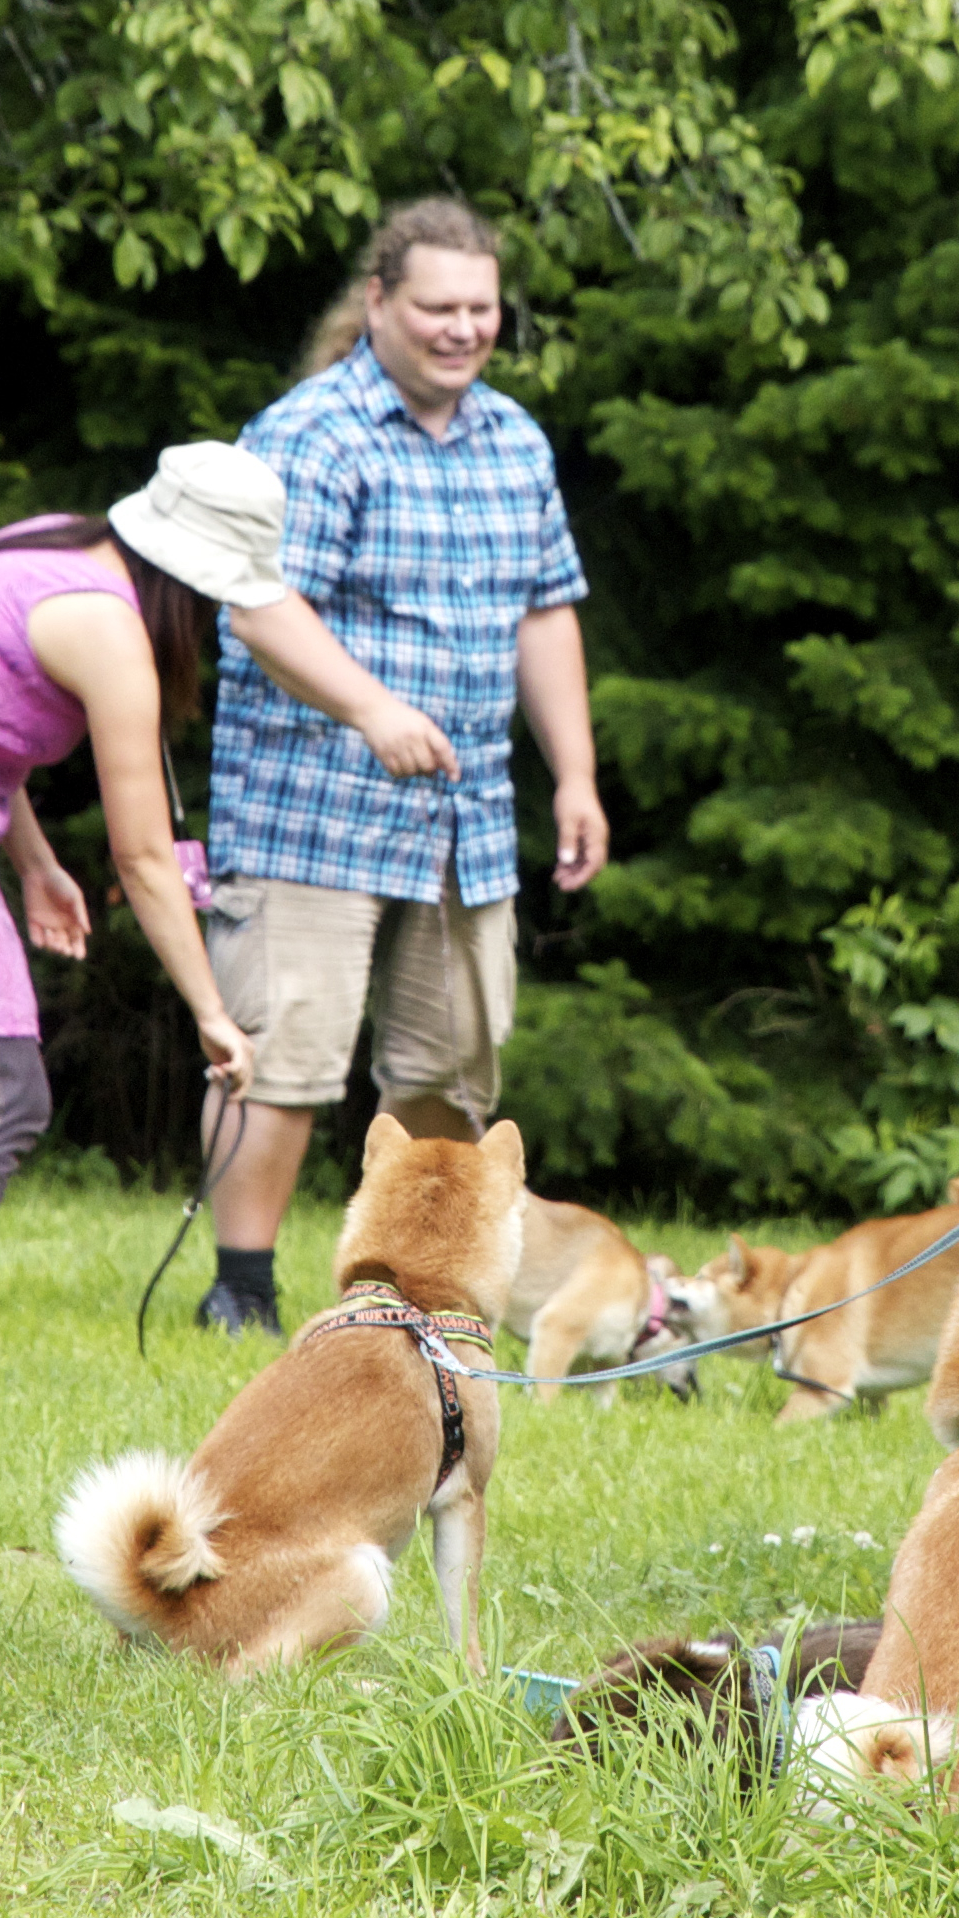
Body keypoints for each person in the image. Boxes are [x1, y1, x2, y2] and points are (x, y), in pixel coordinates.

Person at [0, 442, 436, 1362]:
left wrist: (37, 862)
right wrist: (213, 1010)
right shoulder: (110, 629)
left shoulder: (46, 547)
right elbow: (142, 857)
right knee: (2, 1098)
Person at [190, 197, 605, 1336]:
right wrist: (370, 708)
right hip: (309, 807)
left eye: (480, 308)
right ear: (379, 303)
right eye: (437, 307)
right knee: (287, 1058)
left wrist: (573, 774)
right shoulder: (312, 435)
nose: (463, 328)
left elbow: (546, 611)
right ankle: (242, 1291)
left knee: (451, 1070)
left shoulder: (514, 438)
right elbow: (260, 608)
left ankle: (422, 1283)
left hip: (462, 820)